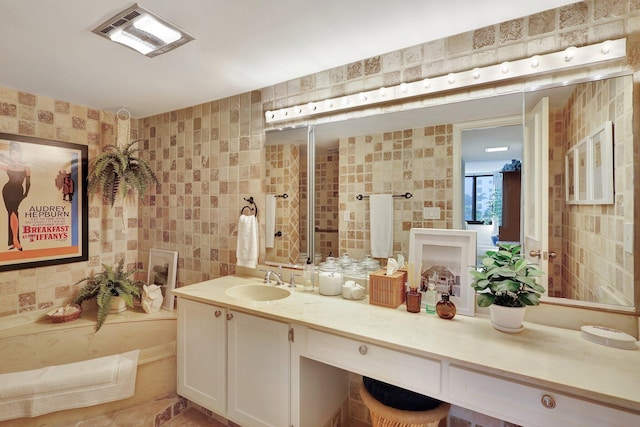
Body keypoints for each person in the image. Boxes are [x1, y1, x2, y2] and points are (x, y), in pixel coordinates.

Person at [0, 142, 31, 251]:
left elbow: (28, 182)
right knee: (12, 213)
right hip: (7, 191)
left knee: (14, 213)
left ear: (20, 154)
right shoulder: (8, 166)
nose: (15, 156)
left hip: (18, 191)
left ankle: (14, 241)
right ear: (10, 155)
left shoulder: (26, 167)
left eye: (17, 153)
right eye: (12, 154)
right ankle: (15, 241)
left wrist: (25, 194)